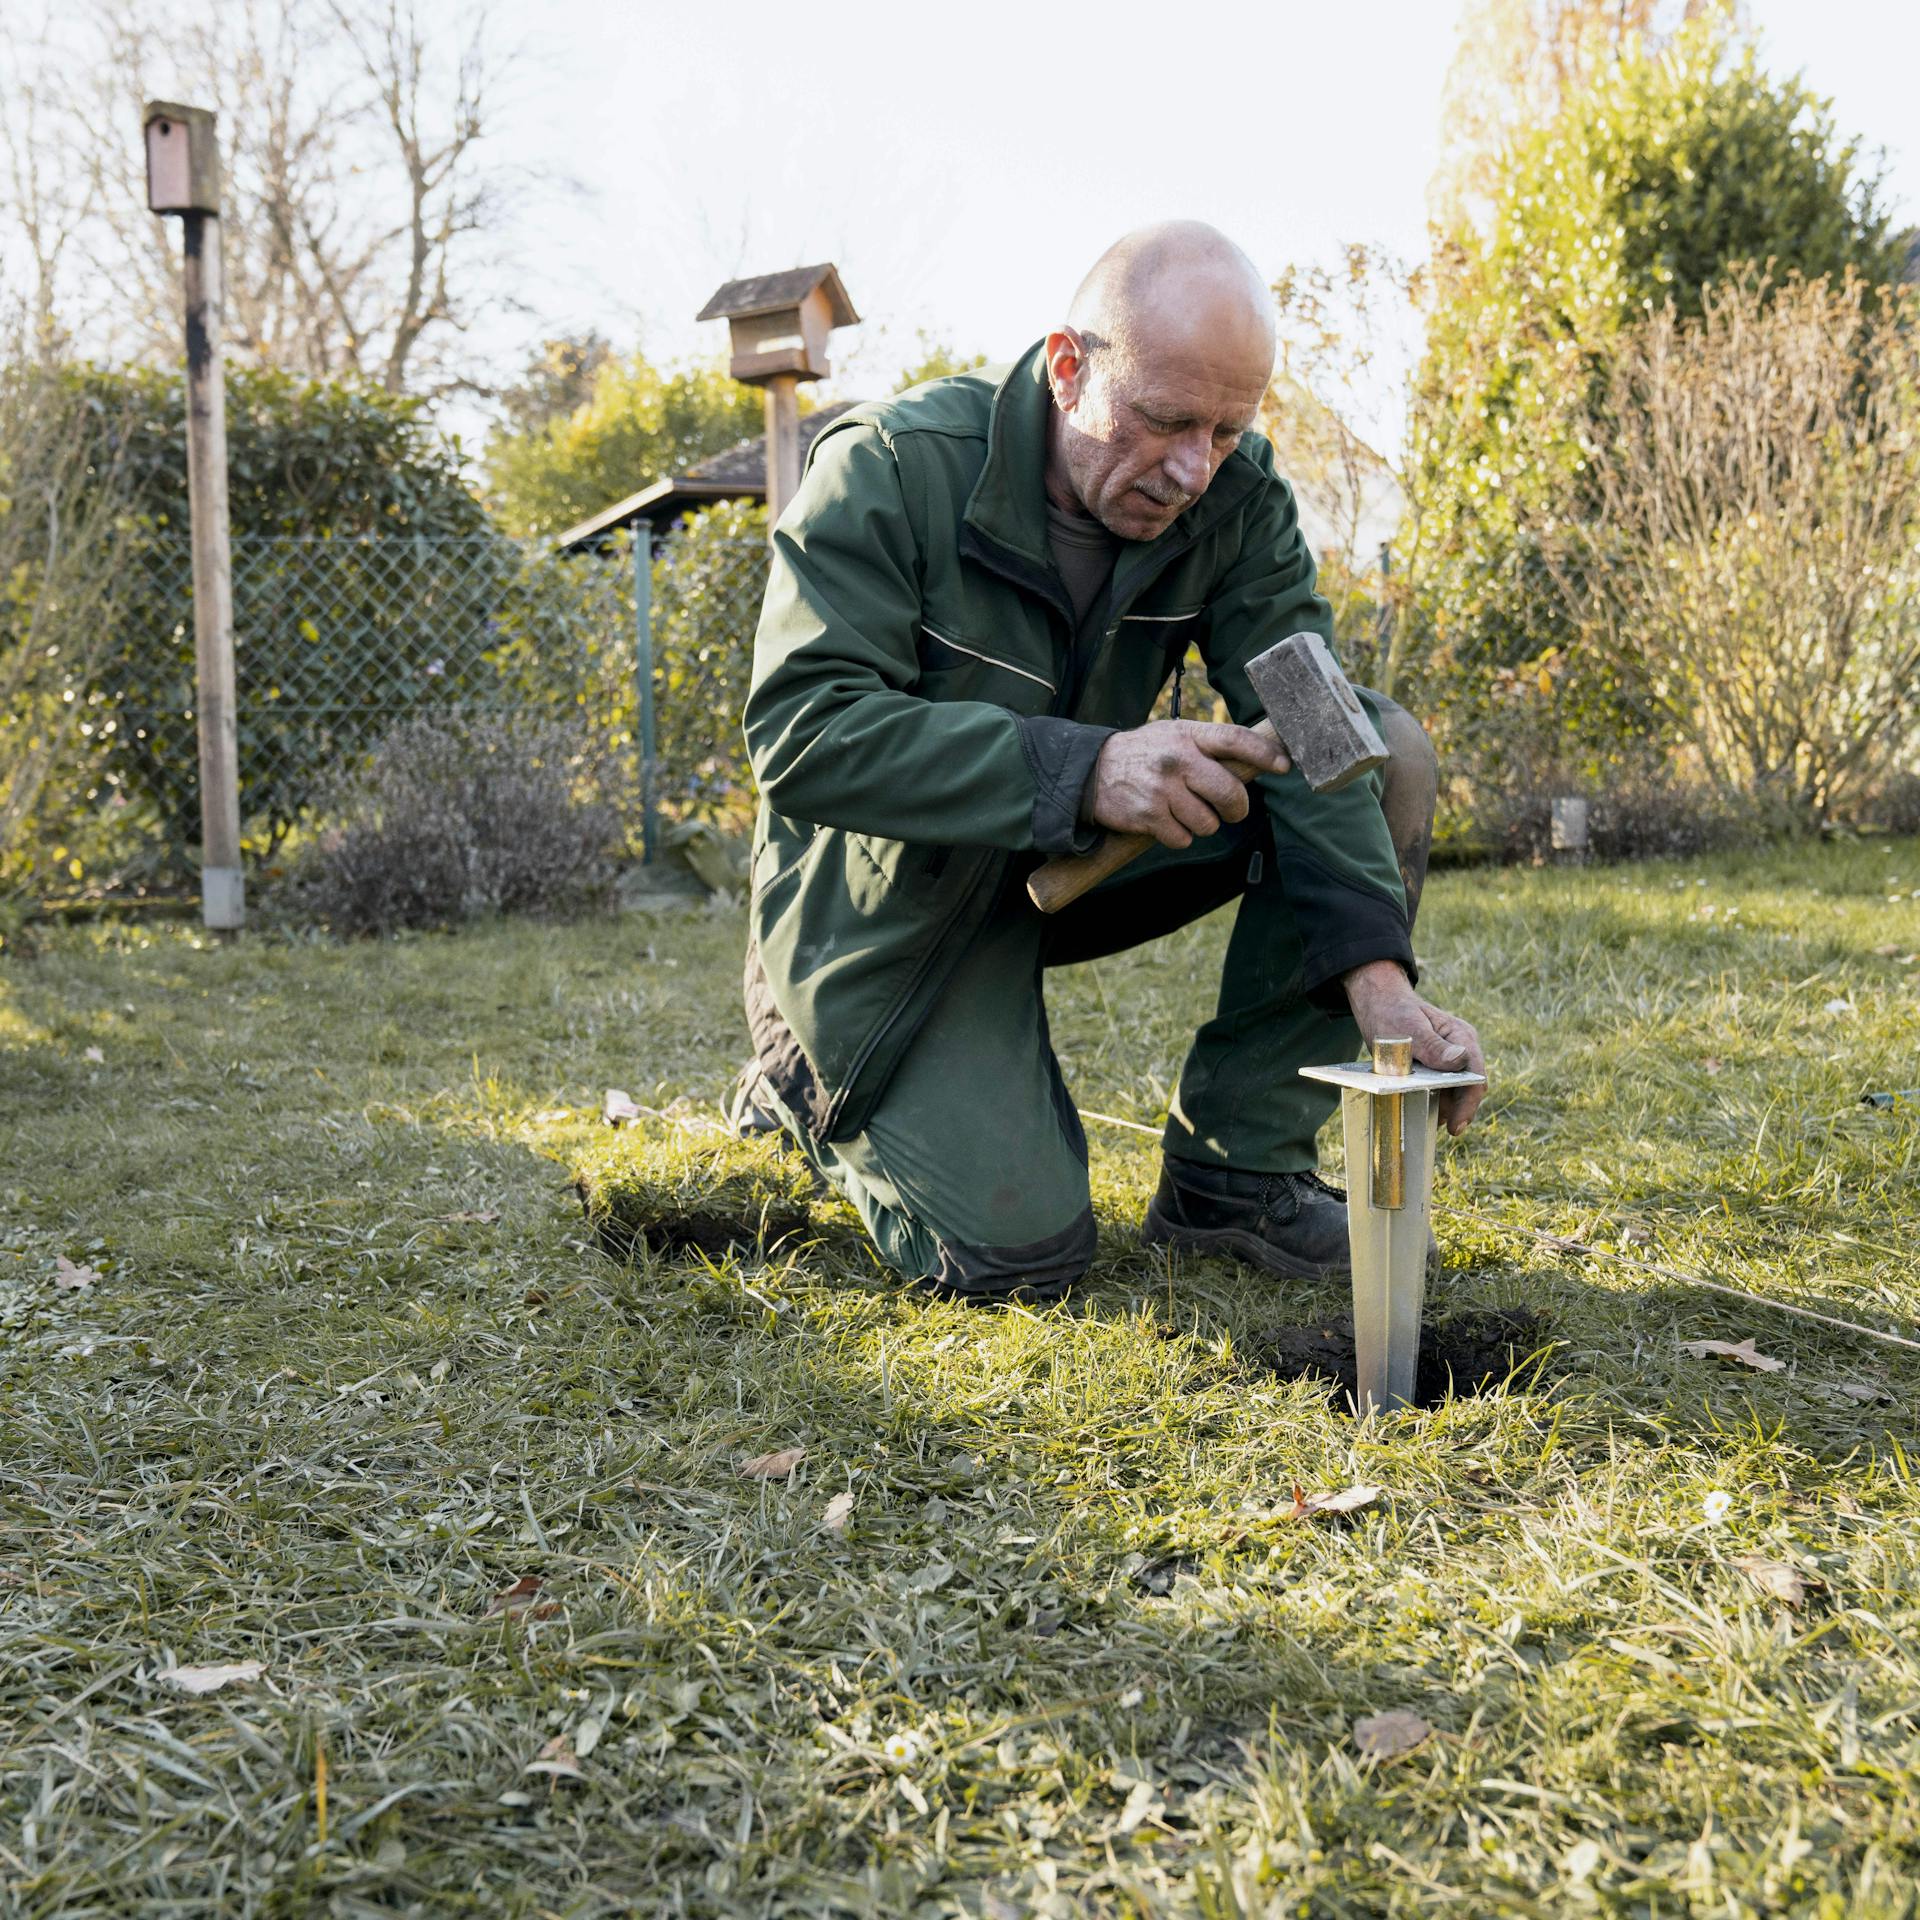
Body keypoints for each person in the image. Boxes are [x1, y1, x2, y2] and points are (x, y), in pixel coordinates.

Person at [731, 220, 1485, 1302]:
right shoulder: (891, 469)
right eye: (1168, 420)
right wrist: (1082, 770)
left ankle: (1238, 1178)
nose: (1192, 469)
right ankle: (795, 1079)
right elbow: (800, 731)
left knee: (1379, 744)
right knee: (1020, 1258)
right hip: (881, 899)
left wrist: (1382, 988)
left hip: (1069, 864)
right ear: (1069, 366)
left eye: (1228, 430)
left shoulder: (1239, 497)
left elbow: (1309, 718)